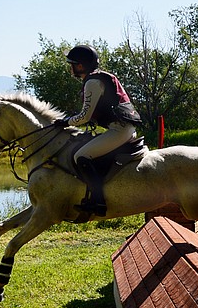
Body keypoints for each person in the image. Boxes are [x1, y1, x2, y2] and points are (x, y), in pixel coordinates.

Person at [56, 44, 142, 215]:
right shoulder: (101, 77)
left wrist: (66, 122)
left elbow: (84, 117)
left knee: (81, 156)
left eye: (71, 64)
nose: (70, 68)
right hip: (121, 127)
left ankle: (98, 202)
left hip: (119, 130)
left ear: (80, 66)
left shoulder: (93, 82)